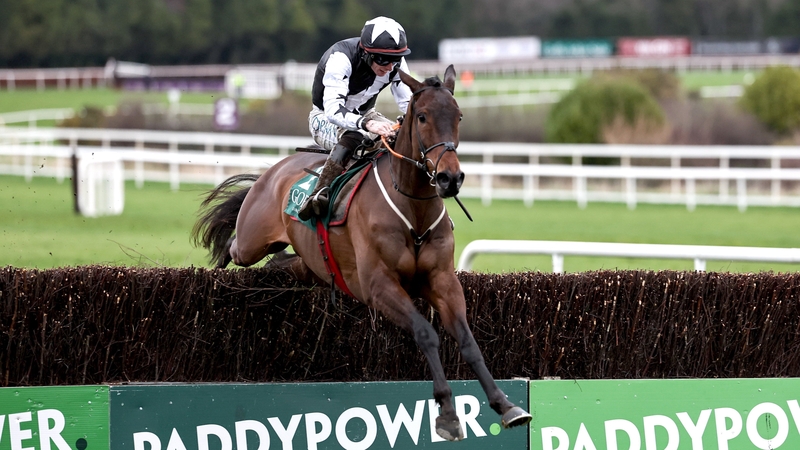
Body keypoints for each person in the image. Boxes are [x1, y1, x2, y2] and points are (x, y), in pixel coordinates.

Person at [297, 16, 413, 220]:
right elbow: (333, 110)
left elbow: (408, 103)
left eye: (395, 60)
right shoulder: (341, 58)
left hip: (366, 114)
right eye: (383, 59)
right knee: (356, 135)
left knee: (404, 135)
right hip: (324, 117)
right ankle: (319, 194)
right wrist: (367, 124)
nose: (389, 67)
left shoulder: (396, 63)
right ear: (366, 53)